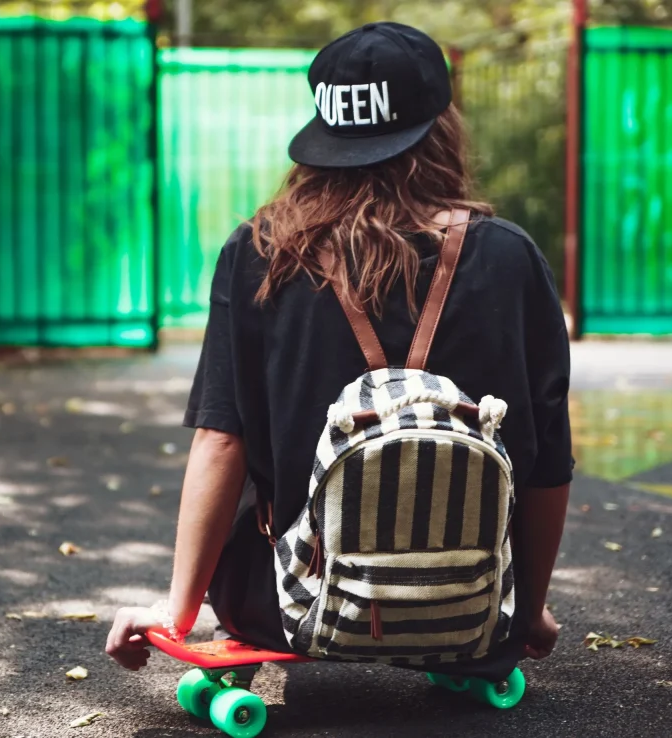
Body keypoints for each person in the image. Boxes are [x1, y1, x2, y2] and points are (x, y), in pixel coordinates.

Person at [106, 21, 572, 681]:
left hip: (285, 609)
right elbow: (547, 457)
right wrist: (525, 612)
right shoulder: (510, 256)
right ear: (441, 127)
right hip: (472, 611)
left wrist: (175, 614)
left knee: (252, 446)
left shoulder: (261, 252)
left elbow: (221, 441)